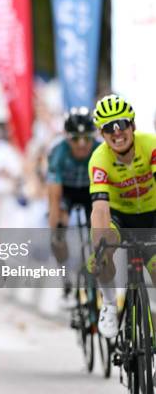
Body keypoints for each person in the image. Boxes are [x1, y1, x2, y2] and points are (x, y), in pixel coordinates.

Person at [87, 95, 156, 339]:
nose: (117, 133)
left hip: (151, 216)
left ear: (133, 125)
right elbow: (100, 209)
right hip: (119, 217)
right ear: (101, 134)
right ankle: (108, 304)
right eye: (108, 128)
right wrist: (100, 246)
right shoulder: (99, 159)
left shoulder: (151, 144)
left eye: (121, 124)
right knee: (103, 250)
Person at [47, 107, 99, 308]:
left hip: (91, 190)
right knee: (58, 233)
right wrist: (55, 232)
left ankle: (100, 276)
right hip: (66, 192)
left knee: (100, 231)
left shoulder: (100, 149)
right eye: (76, 138)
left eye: (87, 137)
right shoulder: (57, 152)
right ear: (67, 138)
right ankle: (66, 283)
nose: (82, 144)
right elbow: (54, 198)